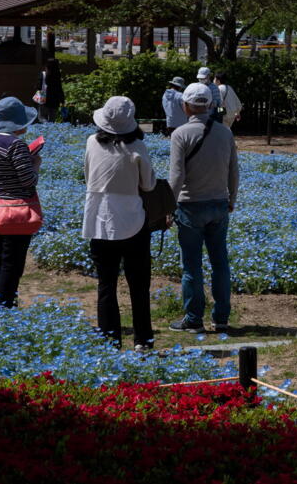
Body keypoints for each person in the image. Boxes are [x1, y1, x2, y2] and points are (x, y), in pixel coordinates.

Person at [82, 96, 157, 351]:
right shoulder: (137, 147)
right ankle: (143, 340)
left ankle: (109, 340)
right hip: (132, 220)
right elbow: (148, 185)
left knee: (106, 284)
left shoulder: (92, 142)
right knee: (138, 285)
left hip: (99, 219)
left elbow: (87, 175)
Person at [168, 82, 238, 334]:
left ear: (185, 106)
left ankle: (194, 318)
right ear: (210, 105)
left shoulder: (180, 135)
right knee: (220, 262)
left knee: (192, 266)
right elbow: (233, 170)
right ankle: (221, 318)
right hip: (219, 204)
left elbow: (176, 176)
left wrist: (168, 207)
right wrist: (232, 198)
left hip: (190, 206)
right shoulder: (225, 133)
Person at [0, 96, 41, 307]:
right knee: (13, 262)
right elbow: (28, 181)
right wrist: (36, 164)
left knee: (0, 257)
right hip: (16, 211)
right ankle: (5, 308)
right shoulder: (16, 145)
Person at [37, 58, 65, 122]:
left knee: (42, 117)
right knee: (52, 119)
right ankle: (50, 129)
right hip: (55, 100)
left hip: (43, 99)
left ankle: (46, 128)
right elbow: (59, 88)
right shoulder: (57, 75)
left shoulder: (43, 74)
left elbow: (38, 87)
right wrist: (62, 100)